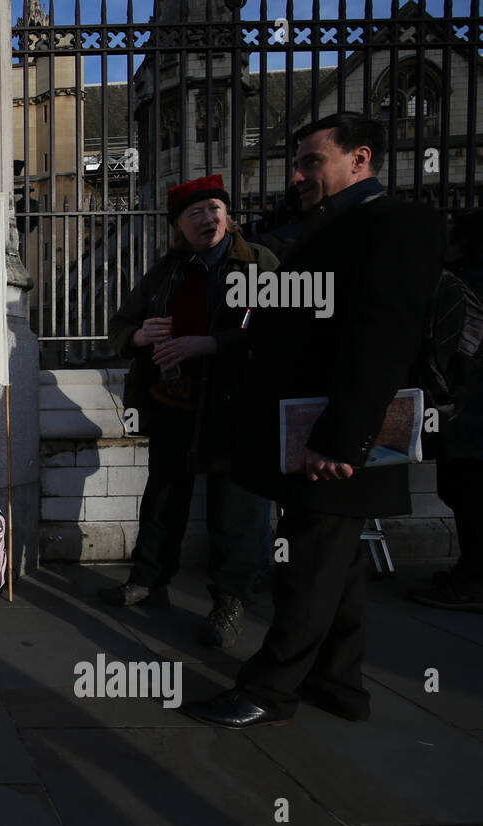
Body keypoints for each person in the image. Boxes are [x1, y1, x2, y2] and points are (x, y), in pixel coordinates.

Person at [184, 113, 447, 728]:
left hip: (338, 436)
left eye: (312, 162)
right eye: (297, 162)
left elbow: (382, 339)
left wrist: (341, 439)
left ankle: (270, 691)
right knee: (338, 563)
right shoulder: (326, 225)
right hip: (309, 429)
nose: (299, 174)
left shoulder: (393, 225)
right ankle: (338, 683)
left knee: (306, 567)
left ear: (360, 159)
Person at [102, 174, 276, 647]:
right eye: (195, 213)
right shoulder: (167, 270)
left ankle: (230, 603)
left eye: (214, 209)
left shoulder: (258, 265)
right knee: (163, 497)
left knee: (234, 509)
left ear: (228, 215)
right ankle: (148, 580)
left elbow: (278, 334)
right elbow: (122, 323)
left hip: (234, 409)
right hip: (173, 406)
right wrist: (139, 337)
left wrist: (209, 343)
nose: (208, 218)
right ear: (178, 225)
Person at [409, 209, 483, 613]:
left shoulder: (463, 283)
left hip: (468, 414)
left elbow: (456, 352)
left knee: (467, 492)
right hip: (469, 414)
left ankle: (473, 580)